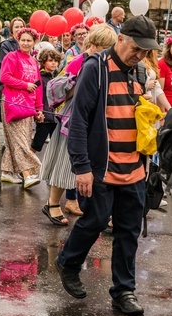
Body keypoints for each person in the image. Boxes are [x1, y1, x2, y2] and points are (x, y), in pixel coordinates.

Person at [56, 15, 160, 316]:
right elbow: (79, 122)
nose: (140, 54)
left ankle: (124, 291)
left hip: (135, 168)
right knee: (95, 221)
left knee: (128, 231)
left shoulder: (139, 71)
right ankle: (69, 262)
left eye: (145, 50)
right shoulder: (96, 68)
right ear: (121, 38)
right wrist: (82, 167)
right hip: (102, 167)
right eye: (136, 48)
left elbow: (140, 113)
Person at [39, 24, 118, 223]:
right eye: (102, 47)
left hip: (96, 120)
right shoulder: (79, 61)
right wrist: (74, 84)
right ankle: (53, 203)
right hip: (73, 120)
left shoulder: (106, 63)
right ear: (92, 44)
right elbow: (56, 88)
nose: (104, 51)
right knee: (65, 164)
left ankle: (92, 207)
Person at [0, 27, 43, 189]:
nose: (25, 43)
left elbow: (38, 87)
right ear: (18, 40)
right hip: (13, 102)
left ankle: (6, 172)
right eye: (23, 40)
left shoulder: (33, 61)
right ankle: (27, 174)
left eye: (29, 40)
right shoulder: (12, 57)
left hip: (28, 105)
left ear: (34, 42)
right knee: (20, 139)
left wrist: (39, 109)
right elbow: (4, 77)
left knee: (20, 139)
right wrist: (25, 85)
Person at [31, 49, 61, 154]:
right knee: (37, 145)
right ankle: (25, 166)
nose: (54, 63)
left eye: (56, 61)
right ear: (44, 62)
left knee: (56, 146)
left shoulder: (58, 77)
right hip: (45, 117)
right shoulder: (40, 78)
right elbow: (37, 97)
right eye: (50, 60)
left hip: (56, 118)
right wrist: (39, 112)